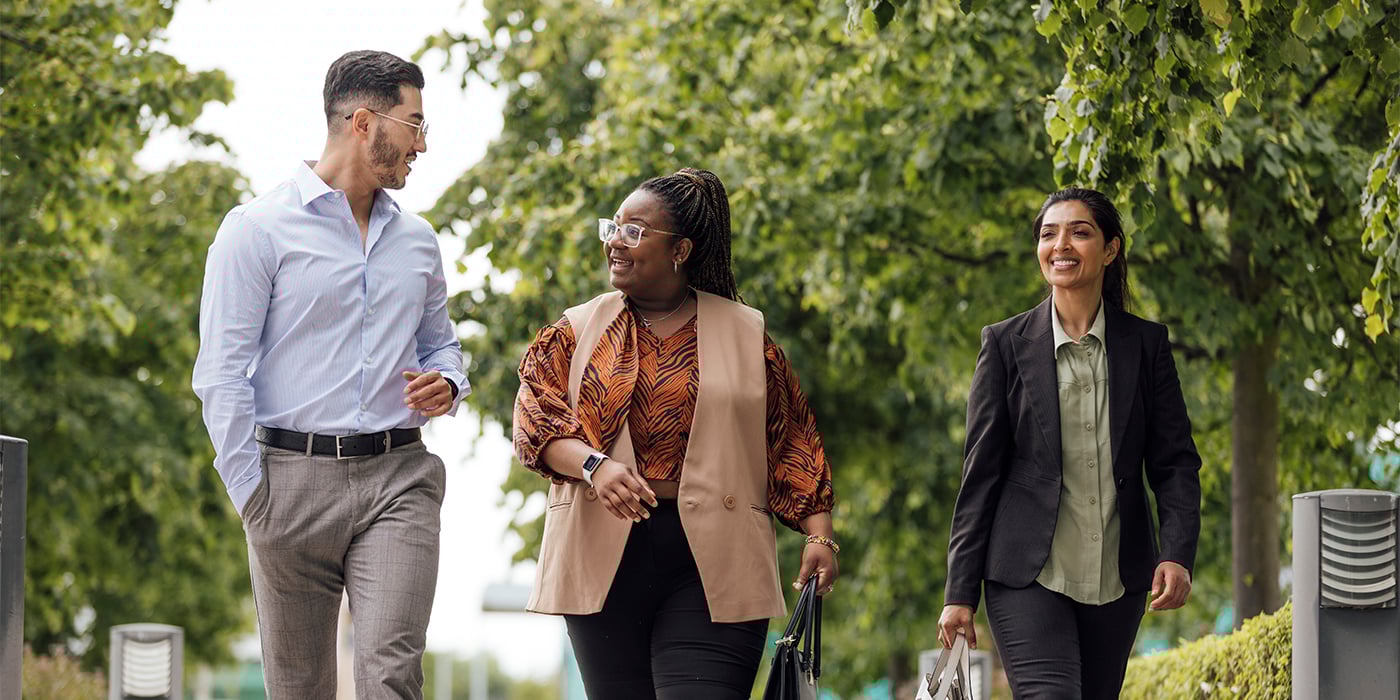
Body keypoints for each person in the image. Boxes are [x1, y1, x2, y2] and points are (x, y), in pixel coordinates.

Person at [192, 50, 467, 699]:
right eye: (415, 124)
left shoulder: (418, 242)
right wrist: (253, 500)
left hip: (399, 478)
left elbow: (442, 347)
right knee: (299, 686)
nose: (421, 146)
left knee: (390, 674)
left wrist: (448, 384)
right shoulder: (256, 230)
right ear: (365, 122)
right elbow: (221, 374)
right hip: (289, 484)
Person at [512, 168, 839, 699]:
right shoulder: (573, 331)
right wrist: (595, 467)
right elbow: (536, 421)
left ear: (681, 249)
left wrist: (819, 534)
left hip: (716, 562)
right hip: (603, 558)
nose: (616, 242)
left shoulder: (747, 334)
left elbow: (792, 439)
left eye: (635, 232)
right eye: (613, 227)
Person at [937, 187, 1202, 699]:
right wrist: (959, 592)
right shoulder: (1005, 345)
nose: (1061, 244)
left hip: (1118, 578)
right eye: (1048, 233)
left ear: (1111, 249)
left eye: (1080, 232)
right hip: (1026, 574)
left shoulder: (1146, 346)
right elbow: (981, 475)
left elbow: (1175, 462)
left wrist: (1177, 553)